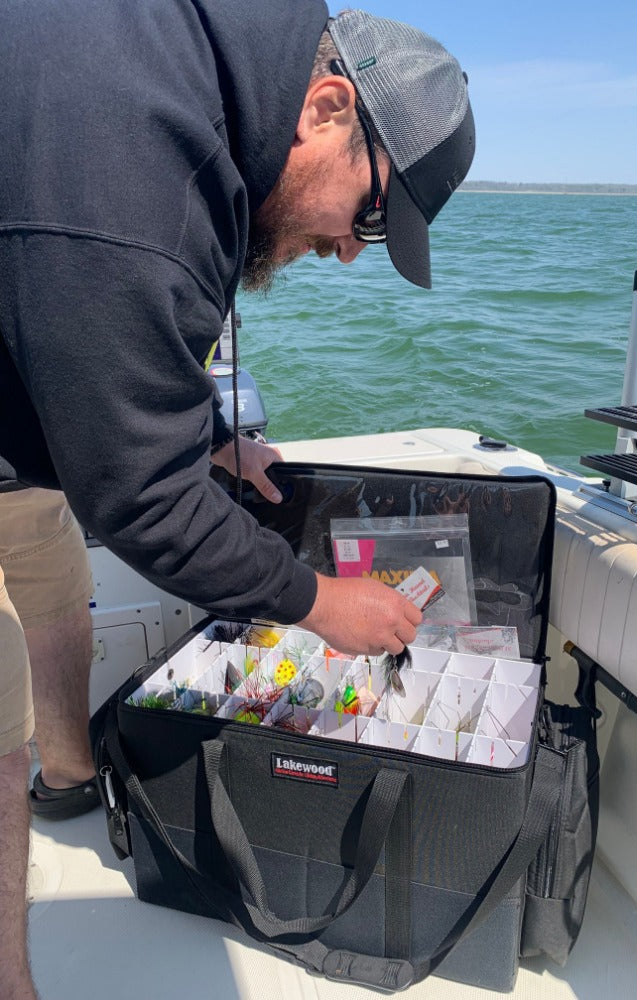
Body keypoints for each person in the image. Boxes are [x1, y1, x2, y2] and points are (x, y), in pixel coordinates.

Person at [0, 1, 475, 997]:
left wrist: (214, 439)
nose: (352, 252)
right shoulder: (137, 171)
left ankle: (71, 775)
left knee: (49, 581)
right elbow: (143, 501)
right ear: (326, 107)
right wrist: (320, 602)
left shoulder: (194, 82)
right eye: (371, 216)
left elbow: (104, 328)